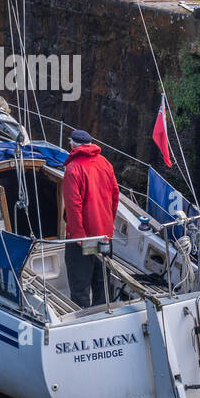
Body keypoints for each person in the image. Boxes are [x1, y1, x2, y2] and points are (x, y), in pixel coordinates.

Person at [60, 129, 120, 308]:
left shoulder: (73, 168)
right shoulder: (105, 163)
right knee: (102, 279)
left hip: (83, 237)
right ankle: (103, 312)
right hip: (104, 234)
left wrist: (78, 235)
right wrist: (110, 222)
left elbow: (73, 206)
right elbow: (115, 195)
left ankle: (82, 318)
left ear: (72, 145)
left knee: (80, 284)